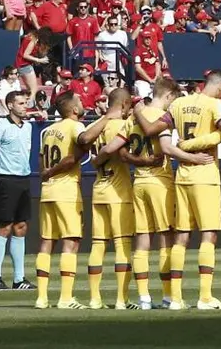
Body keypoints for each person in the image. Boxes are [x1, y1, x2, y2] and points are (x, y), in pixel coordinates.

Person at [138, 70, 221, 309]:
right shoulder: (215, 104)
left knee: (181, 236)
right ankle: (205, 296)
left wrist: (139, 113)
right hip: (205, 175)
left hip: (182, 175)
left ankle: (175, 298)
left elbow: (153, 130)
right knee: (208, 234)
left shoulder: (178, 104)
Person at [33, 90, 111, 309]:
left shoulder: (47, 131)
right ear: (74, 109)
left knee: (47, 242)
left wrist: (47, 174)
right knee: (71, 241)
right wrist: (107, 117)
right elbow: (82, 143)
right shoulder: (75, 126)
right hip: (66, 190)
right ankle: (66, 298)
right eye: (79, 101)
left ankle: (41, 297)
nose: (82, 103)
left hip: (47, 191)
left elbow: (41, 160)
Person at [84, 87, 139, 309]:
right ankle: (121, 299)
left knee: (97, 245)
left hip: (99, 188)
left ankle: (95, 299)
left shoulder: (95, 126)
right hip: (119, 190)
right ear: (125, 104)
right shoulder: (123, 125)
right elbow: (125, 155)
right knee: (122, 244)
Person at [0, 90, 37, 291]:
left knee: (21, 226)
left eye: (25, 102)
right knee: (5, 227)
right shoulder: (1, 127)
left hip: (23, 178)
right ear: (10, 105)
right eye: (20, 103)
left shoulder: (27, 127)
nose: (24, 106)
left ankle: (19, 278)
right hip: (6, 179)